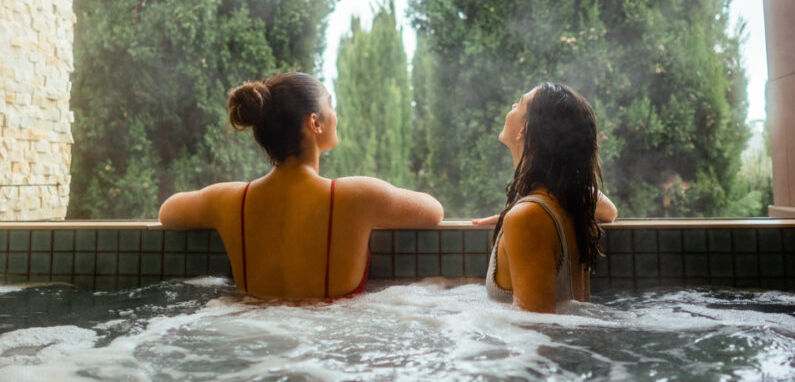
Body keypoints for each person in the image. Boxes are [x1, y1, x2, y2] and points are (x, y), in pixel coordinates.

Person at [159, 72, 443, 299]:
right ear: (315, 123)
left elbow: (168, 212)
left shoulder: (229, 200)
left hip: (254, 340)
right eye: (330, 105)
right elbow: (434, 212)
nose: (336, 115)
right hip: (322, 350)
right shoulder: (359, 196)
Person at [473, 83, 618, 313]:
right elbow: (610, 211)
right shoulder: (567, 202)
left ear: (525, 129)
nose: (512, 106)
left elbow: (536, 335)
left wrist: (521, 215)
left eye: (519, 103)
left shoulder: (529, 217)